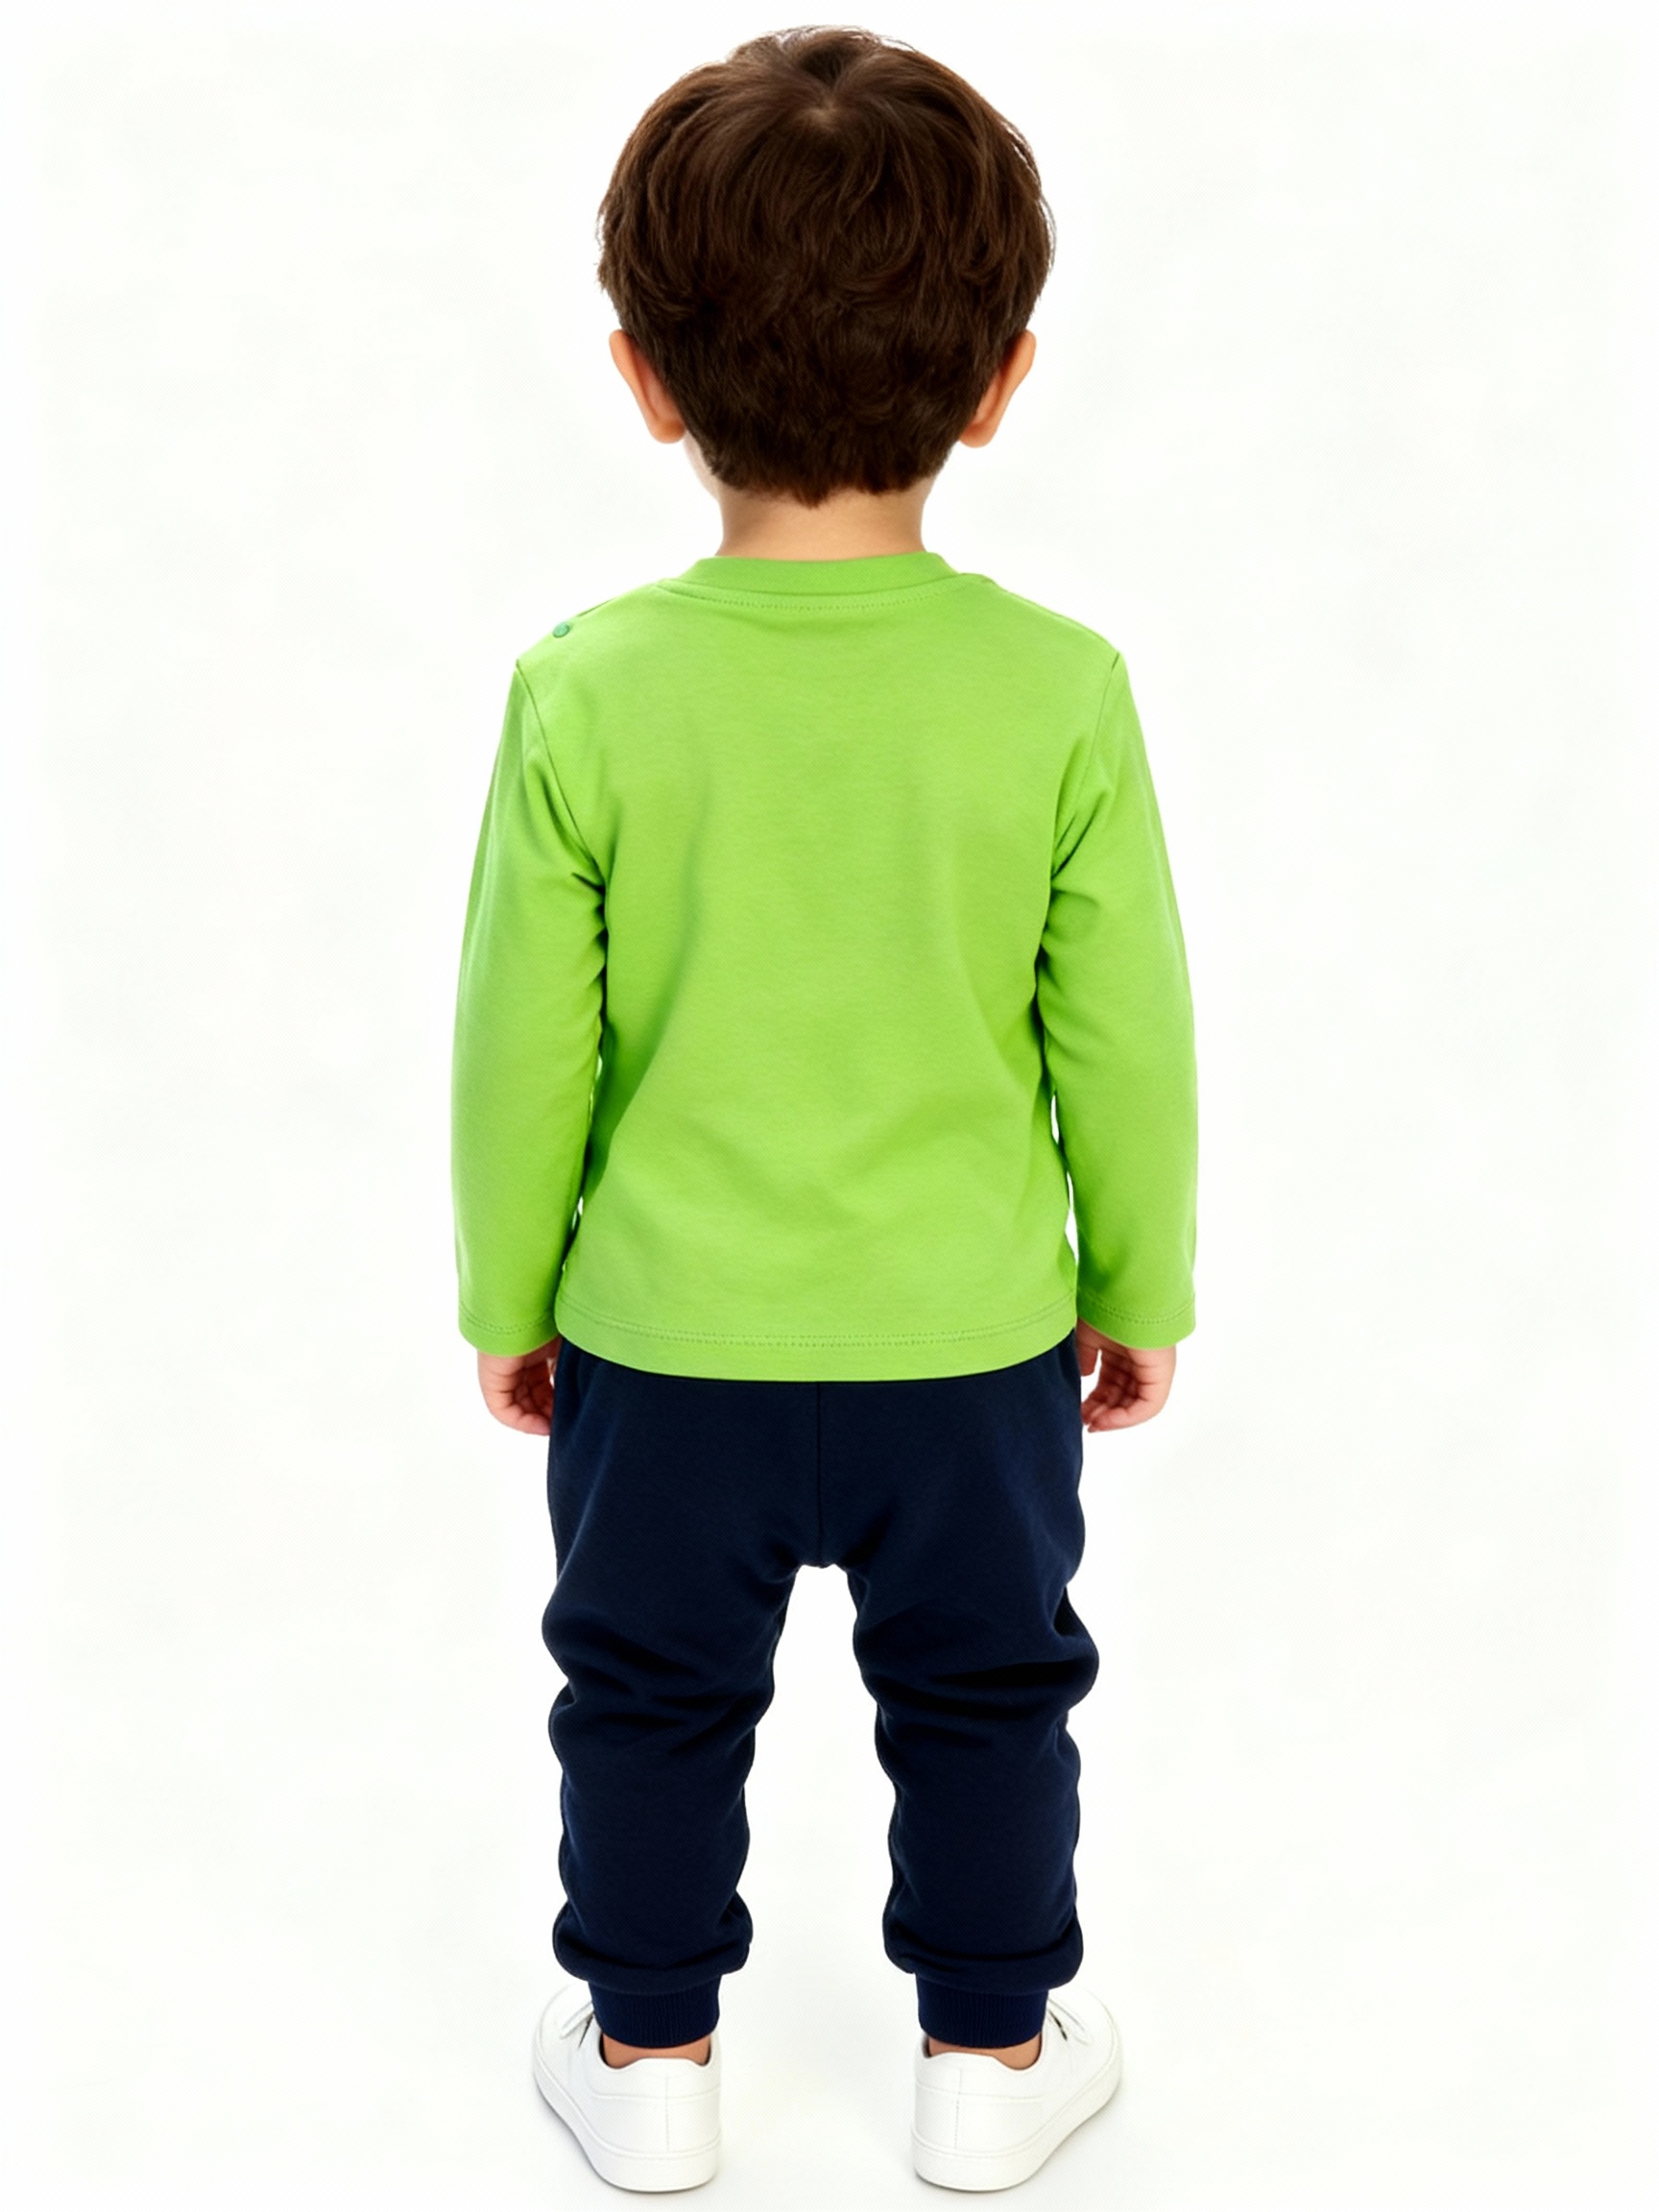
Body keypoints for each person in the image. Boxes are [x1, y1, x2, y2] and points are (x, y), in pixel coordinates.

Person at [449, 24, 1198, 2195]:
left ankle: (648, 2058)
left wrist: (512, 1296)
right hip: (969, 1347)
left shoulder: (587, 689)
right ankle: (991, 2058)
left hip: (663, 1341)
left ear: (644, 377)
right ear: (1001, 380)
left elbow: (520, 1044)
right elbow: (1126, 1035)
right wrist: (1140, 1282)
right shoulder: (1058, 689)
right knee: (990, 1696)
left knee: (643, 1699)